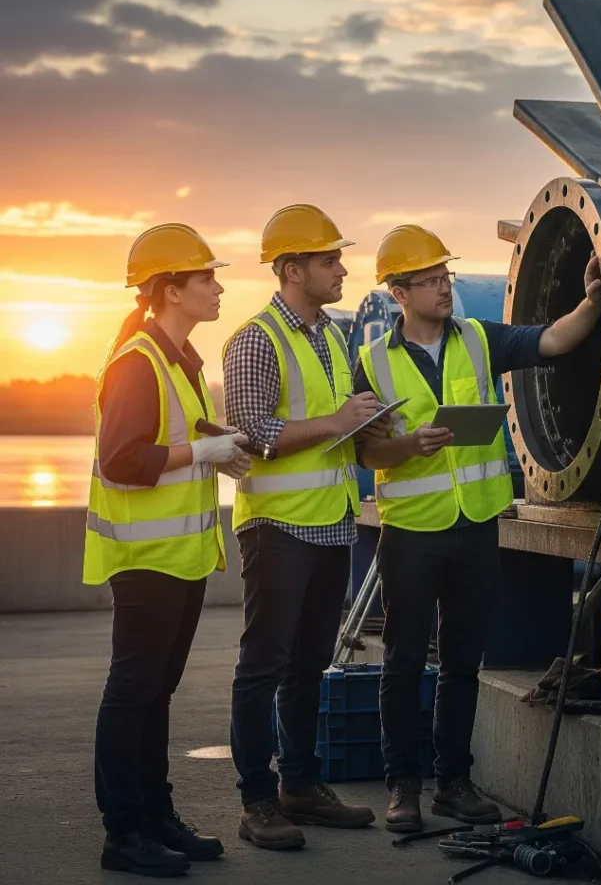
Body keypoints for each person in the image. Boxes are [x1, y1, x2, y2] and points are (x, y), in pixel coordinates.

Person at [353, 224, 601, 833]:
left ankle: (454, 784)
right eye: (433, 280)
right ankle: (404, 789)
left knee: (464, 661)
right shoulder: (372, 362)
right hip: (411, 532)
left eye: (447, 277)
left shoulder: (478, 339)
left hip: (475, 528)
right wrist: (409, 445)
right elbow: (366, 455)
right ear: (400, 293)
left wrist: (592, 303)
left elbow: (551, 341)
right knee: (404, 662)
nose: (445, 287)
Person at [224, 204, 390, 851]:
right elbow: (254, 434)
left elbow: (336, 422)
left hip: (329, 527)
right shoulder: (255, 340)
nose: (341, 268)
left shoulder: (331, 337)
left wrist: (371, 425)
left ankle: (300, 785)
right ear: (293, 270)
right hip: (276, 527)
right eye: (328, 260)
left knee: (310, 666)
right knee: (262, 666)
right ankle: (257, 800)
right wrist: (338, 421)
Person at [85, 223, 250, 877]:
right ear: (172, 289)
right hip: (146, 561)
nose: (218, 288)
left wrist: (220, 448)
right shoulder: (137, 361)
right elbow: (123, 458)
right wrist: (200, 451)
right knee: (133, 692)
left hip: (179, 559)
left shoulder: (178, 359)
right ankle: (122, 832)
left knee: (155, 692)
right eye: (206, 278)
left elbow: (176, 441)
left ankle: (155, 815)